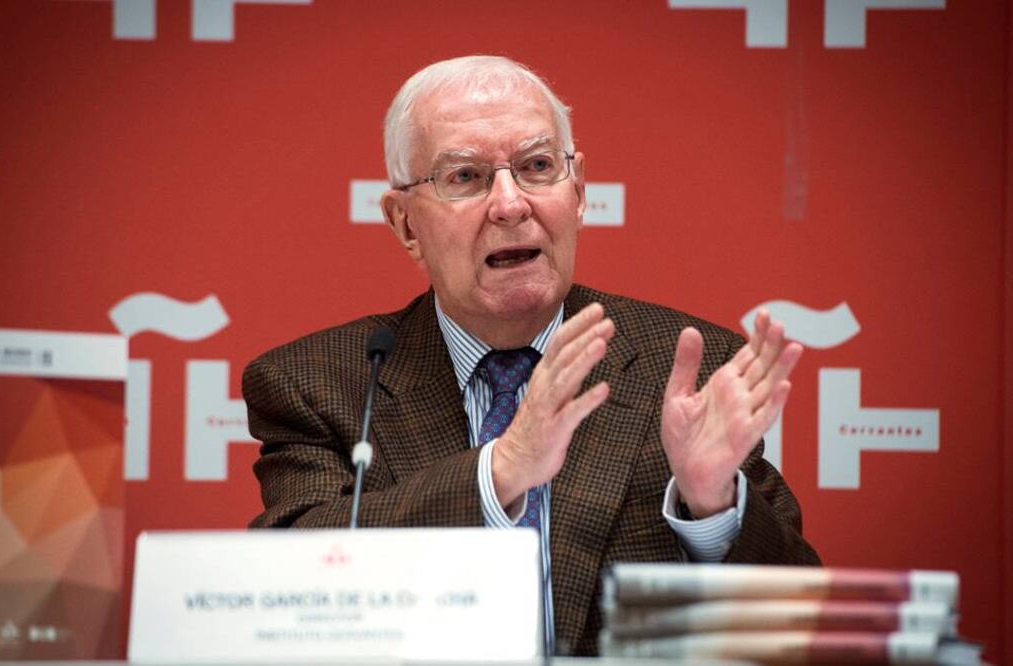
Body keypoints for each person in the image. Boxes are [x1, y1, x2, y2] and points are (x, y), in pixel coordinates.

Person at [244, 55, 820, 655]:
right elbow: (290, 576)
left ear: (577, 194)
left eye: (537, 167)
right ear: (405, 223)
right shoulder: (318, 382)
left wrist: (712, 505)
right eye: (465, 176)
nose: (510, 204)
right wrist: (499, 474)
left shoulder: (684, 368)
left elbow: (797, 618)